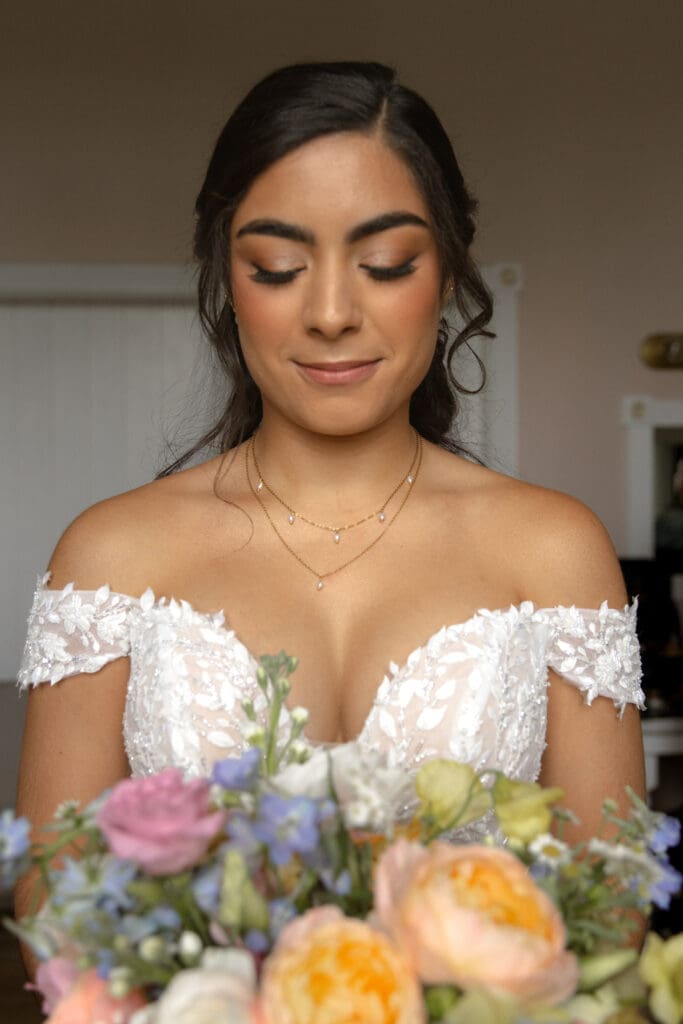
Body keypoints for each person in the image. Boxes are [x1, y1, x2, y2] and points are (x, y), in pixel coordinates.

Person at [15, 63, 645, 919]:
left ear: (446, 273)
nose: (331, 312)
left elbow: (612, 912)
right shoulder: (111, 558)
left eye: (385, 263)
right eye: (278, 267)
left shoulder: (552, 550)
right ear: (227, 278)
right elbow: (56, 914)